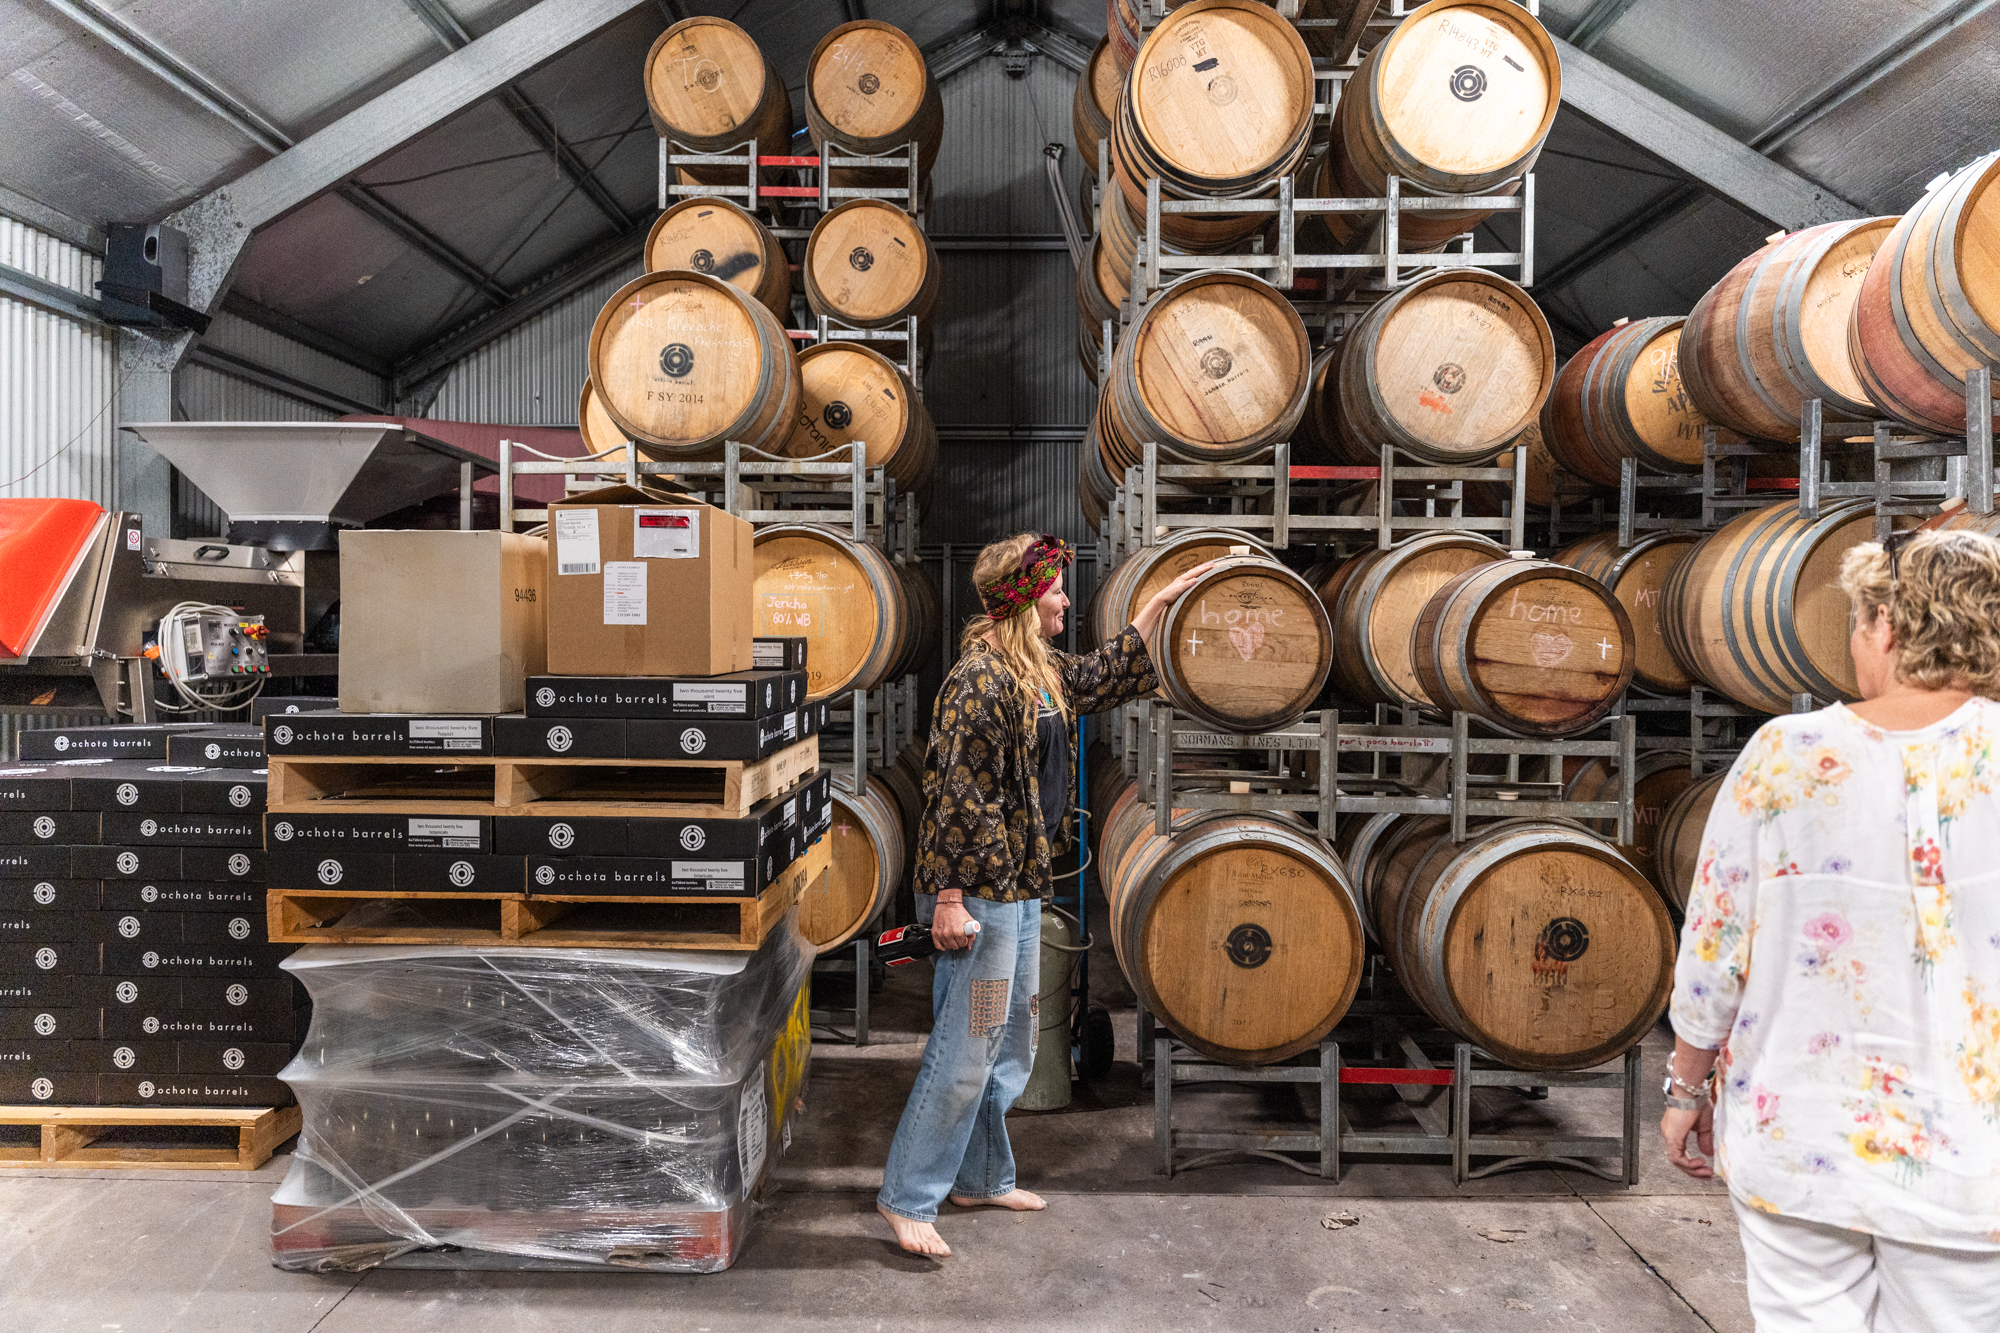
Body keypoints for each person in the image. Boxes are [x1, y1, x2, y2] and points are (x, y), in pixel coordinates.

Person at [1662, 528, 2000, 1332]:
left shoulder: (1785, 753)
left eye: (1857, 621)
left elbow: (1714, 948)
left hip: (1803, 1135)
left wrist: (1685, 1086)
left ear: (1886, 624)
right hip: (1972, 1159)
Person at [876, 533, 1213, 1257]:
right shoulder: (980, 681)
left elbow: (1097, 676)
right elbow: (955, 797)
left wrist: (1154, 606)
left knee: (1012, 1044)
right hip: (984, 899)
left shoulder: (1036, 673)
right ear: (1026, 600)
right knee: (965, 1050)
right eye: (1057, 589)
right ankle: (908, 1195)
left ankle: (984, 1174)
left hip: (1023, 890)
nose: (1067, 599)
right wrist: (948, 901)